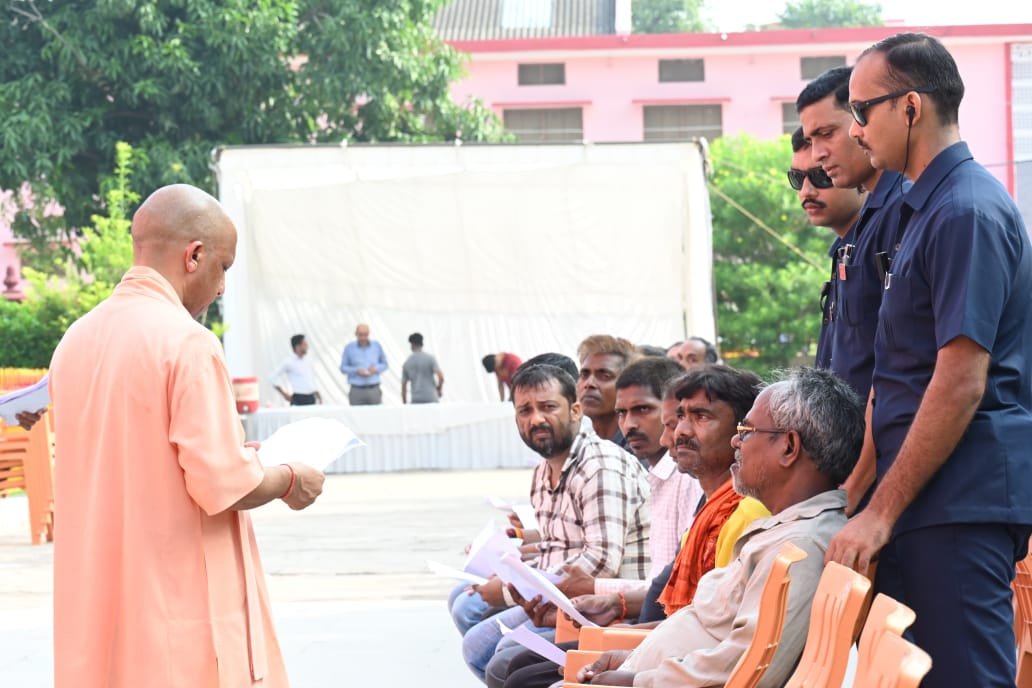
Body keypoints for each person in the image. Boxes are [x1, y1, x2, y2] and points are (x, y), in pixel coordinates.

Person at [47, 184, 326, 688]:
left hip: (95, 617)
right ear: (194, 256)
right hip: (177, 624)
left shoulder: (75, 340)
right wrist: (289, 479)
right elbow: (224, 485)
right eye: (224, 267)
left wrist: (234, 457)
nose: (222, 289)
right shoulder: (188, 343)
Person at [825, 33, 1032, 688]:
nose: (855, 131)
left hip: (957, 501)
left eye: (862, 110)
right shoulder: (921, 210)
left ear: (910, 106)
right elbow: (895, 376)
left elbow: (960, 379)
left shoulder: (966, 210)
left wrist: (880, 511)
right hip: (919, 498)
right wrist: (856, 494)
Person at [576, 367, 864, 688]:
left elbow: (746, 668)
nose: (736, 441)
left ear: (788, 447)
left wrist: (637, 680)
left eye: (746, 430)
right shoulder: (784, 528)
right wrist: (633, 657)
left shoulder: (801, 546)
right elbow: (713, 633)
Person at [452, 363, 650, 682]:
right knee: (476, 643)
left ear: (575, 411)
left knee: (501, 654)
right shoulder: (543, 471)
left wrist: (509, 591)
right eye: (525, 411)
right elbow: (552, 546)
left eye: (548, 407)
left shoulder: (600, 467)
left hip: (610, 605)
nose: (536, 419)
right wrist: (508, 568)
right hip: (561, 599)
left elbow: (600, 562)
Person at [797, 65, 907, 405]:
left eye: (827, 133)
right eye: (811, 141)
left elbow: (909, 365)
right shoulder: (863, 229)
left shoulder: (908, 210)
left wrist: (870, 440)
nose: (819, 154)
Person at [787, 126, 865, 384]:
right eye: (797, 178)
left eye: (821, 175)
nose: (806, 192)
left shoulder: (886, 239)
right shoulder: (843, 252)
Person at [576, 335, 638, 446]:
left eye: (605, 376)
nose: (589, 383)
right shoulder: (572, 442)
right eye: (584, 375)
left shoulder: (638, 446)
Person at [339, 323, 387, 405]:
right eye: (361, 335)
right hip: (356, 390)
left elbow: (385, 364)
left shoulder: (376, 346)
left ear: (369, 334)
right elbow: (343, 368)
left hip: (374, 389)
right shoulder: (349, 348)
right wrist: (356, 370)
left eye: (365, 335)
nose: (363, 338)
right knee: (355, 413)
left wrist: (376, 368)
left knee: (377, 412)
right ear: (356, 334)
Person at [270, 333, 321, 406]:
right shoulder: (289, 362)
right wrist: (284, 394)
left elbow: (310, 379)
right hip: (299, 398)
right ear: (298, 346)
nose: (307, 346)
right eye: (304, 344)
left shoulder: (309, 360)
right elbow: (272, 377)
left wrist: (316, 392)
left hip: (312, 397)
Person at [401, 332, 444, 404]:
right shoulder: (430, 358)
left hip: (416, 400)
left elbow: (403, 387)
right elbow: (441, 377)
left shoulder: (407, 363)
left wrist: (405, 403)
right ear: (422, 344)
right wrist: (439, 389)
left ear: (411, 345)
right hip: (431, 398)